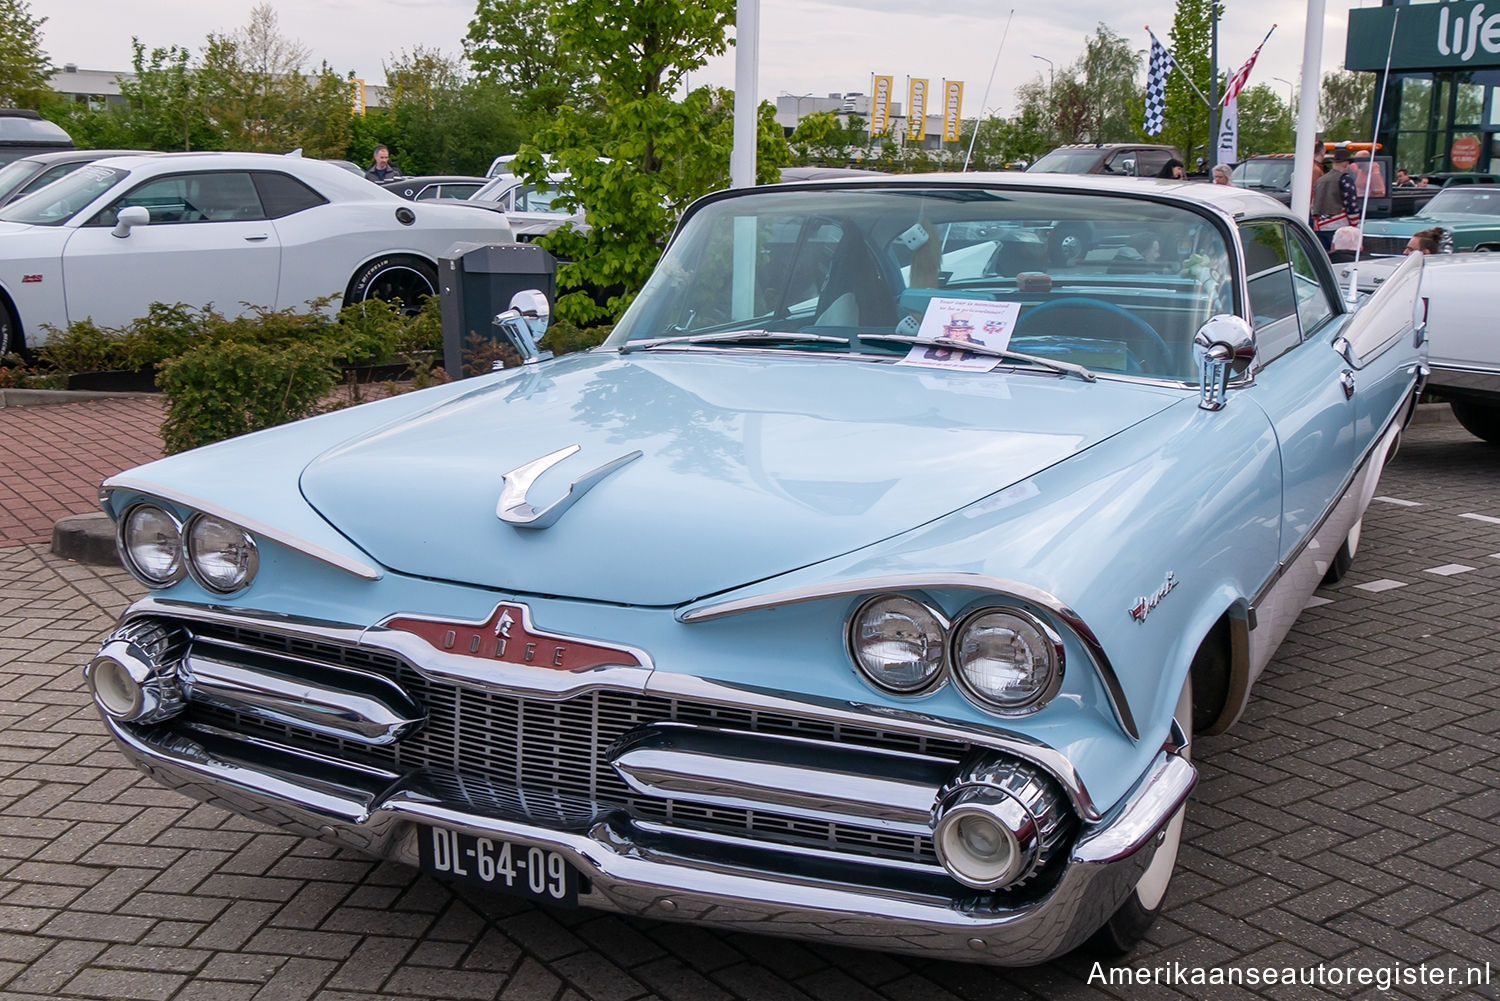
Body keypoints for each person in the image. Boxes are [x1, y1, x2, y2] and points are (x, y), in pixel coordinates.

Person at [1311, 148, 1358, 249]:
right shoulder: (1345, 179)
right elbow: (1351, 204)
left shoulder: (1321, 179)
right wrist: (1354, 224)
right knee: (1340, 259)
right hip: (1339, 226)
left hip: (1319, 226)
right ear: (1345, 163)